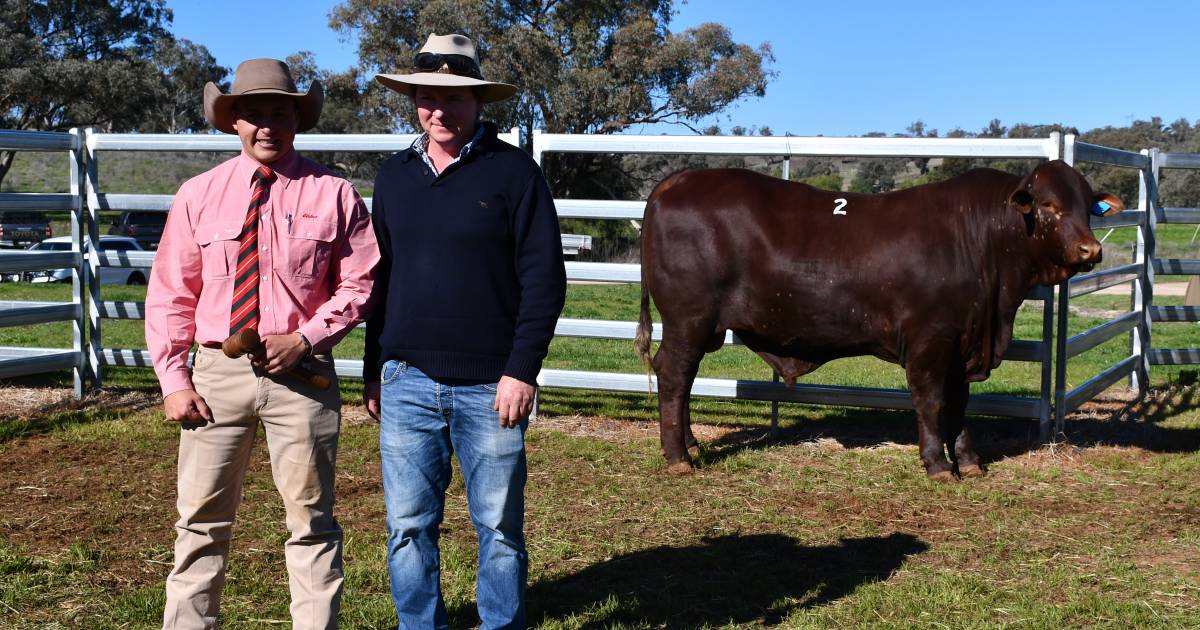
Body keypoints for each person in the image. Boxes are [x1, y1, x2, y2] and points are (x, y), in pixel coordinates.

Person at [145, 58, 379, 630]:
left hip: (304, 378)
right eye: (254, 114)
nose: (267, 126)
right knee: (200, 521)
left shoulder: (335, 193)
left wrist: (306, 338)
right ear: (233, 122)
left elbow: (361, 280)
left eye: (280, 112)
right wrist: (174, 381)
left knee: (312, 522)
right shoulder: (199, 195)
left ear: (297, 119)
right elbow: (173, 293)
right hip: (215, 379)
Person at [364, 33, 567, 630]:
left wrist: (521, 369)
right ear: (415, 100)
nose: (439, 110)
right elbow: (383, 279)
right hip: (406, 381)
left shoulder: (514, 174)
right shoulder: (394, 177)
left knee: (500, 527)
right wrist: (376, 368)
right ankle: (419, 624)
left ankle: (501, 623)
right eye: (428, 96)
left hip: (491, 385)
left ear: (478, 101)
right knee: (406, 527)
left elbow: (543, 280)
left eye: (453, 98)